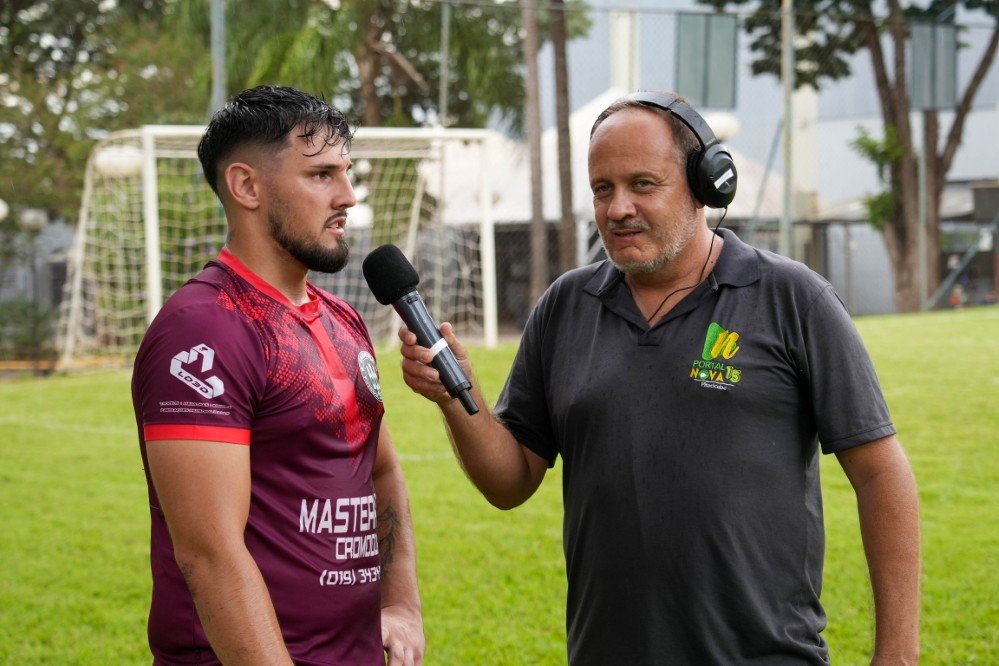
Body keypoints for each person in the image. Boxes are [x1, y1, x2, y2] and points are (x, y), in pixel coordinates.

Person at [398, 92, 920, 664]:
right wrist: (456, 395)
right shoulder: (566, 307)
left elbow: (880, 473)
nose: (618, 208)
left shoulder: (793, 299)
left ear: (704, 185)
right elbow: (510, 482)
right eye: (603, 189)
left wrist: (897, 654)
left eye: (642, 184)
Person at [132, 85, 424, 665]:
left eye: (346, 173)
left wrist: (401, 604)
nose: (347, 196)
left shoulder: (342, 318)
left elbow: (382, 469)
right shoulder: (204, 327)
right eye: (321, 175)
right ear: (246, 186)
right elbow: (209, 554)